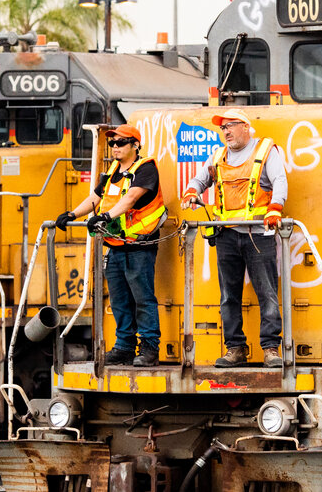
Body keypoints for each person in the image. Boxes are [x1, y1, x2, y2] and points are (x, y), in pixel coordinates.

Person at [180, 109, 288, 368]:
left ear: (245, 127)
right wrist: (192, 190)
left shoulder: (265, 151)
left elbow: (280, 180)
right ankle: (235, 349)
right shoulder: (218, 156)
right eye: (223, 128)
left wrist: (275, 207)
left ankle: (271, 349)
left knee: (267, 293)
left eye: (230, 126)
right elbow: (199, 178)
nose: (225, 132)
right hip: (227, 234)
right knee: (229, 295)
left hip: (258, 235)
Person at [56, 125, 165, 367]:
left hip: (139, 246)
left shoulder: (146, 168)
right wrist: (72, 214)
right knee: (119, 301)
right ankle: (124, 347)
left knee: (143, 300)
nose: (115, 147)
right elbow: (96, 198)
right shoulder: (113, 169)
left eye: (121, 142)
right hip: (116, 247)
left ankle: (149, 348)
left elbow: (131, 198)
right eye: (112, 143)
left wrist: (106, 217)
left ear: (135, 145)